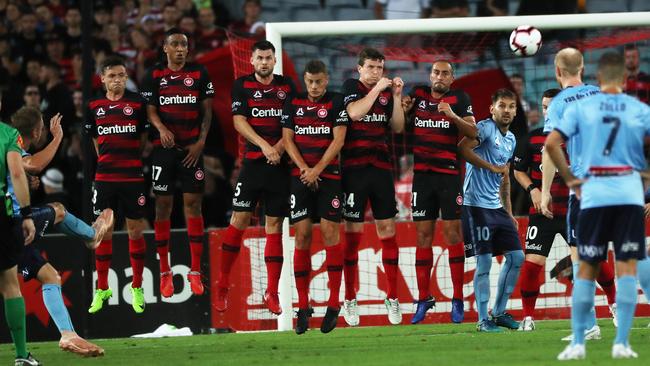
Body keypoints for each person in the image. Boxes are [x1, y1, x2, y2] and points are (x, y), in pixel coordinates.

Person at [550, 52, 649, 360]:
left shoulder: (575, 106)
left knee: (584, 264)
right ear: (623, 79)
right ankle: (622, 342)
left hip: (590, 192)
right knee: (630, 265)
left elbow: (551, 144)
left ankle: (580, 339)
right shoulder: (636, 107)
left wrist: (569, 179)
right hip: (628, 190)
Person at [10, 106, 110, 357]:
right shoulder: (11, 142)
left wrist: (23, 176)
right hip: (10, 226)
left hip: (11, 229)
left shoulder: (10, 145)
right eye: (42, 129)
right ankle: (91, 235)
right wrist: (57, 139)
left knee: (50, 277)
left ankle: (67, 335)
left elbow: (20, 169)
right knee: (59, 210)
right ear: (37, 130)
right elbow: (33, 163)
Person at [540, 48, 617, 341]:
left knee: (578, 257)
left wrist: (546, 192)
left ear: (558, 72)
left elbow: (551, 147)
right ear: (583, 67)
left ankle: (588, 327)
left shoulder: (559, 104)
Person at [215, 40, 295, 315]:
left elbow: (291, 124)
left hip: (280, 167)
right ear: (252, 61)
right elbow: (239, 121)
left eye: (268, 58)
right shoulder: (242, 86)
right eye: (259, 58)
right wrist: (264, 146)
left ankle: (272, 291)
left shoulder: (287, 87)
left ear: (275, 60)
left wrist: (279, 149)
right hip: (253, 165)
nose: (264, 62)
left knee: (275, 225)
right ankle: (223, 282)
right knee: (238, 219)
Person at [141, 28, 214, 298]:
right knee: (163, 206)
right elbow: (149, 110)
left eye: (184, 43)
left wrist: (200, 143)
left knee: (193, 205)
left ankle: (195, 271)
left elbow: (207, 111)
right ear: (165, 48)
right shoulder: (154, 75)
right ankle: (164, 272)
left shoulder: (199, 73)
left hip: (191, 150)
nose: (181, 48)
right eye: (175, 44)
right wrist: (160, 128)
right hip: (164, 151)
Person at [402, 60, 476, 324]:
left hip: (449, 176)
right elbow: (400, 122)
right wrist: (402, 104)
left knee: (453, 234)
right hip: (422, 178)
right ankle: (424, 299)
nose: (440, 77)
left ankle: (457, 299)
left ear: (452, 78)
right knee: (423, 237)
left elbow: (474, 132)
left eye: (445, 73)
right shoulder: (418, 94)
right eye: (436, 72)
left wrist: (453, 116)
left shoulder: (460, 98)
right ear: (430, 75)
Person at [281, 60, 348, 334]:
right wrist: (304, 170)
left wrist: (317, 169)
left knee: (331, 234)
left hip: (329, 178)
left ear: (327, 78)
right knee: (303, 235)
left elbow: (338, 140)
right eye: (310, 81)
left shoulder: (336, 103)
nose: (314, 86)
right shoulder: (293, 103)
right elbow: (288, 140)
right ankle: (303, 304)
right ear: (305, 80)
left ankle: (334, 303)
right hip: (301, 178)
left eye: (319, 81)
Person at [341, 47, 405, 326]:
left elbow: (399, 128)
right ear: (360, 69)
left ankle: (392, 296)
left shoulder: (387, 95)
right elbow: (354, 114)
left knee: (388, 231)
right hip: (353, 172)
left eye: (380, 68)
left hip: (380, 171)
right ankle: (350, 298)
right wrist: (377, 89)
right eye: (371, 67)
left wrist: (398, 98)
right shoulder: (350, 88)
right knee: (352, 234)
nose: (376, 73)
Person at [86, 56, 151, 313]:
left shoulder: (137, 103)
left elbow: (143, 139)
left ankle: (137, 286)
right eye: (111, 76)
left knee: (135, 231)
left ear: (126, 77)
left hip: (132, 177)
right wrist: (106, 160)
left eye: (121, 75)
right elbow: (95, 140)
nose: (117, 80)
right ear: (102, 79)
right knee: (103, 233)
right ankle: (102, 288)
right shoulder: (94, 105)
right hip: (104, 178)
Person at [458, 88, 524, 332]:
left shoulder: (512, 139)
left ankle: (499, 312)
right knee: (484, 262)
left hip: (497, 209)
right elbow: (462, 149)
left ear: (515, 111)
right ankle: (483, 319)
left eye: (511, 107)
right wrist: (490, 167)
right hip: (475, 206)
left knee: (517, 257)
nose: (506, 110)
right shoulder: (485, 129)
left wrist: (509, 213)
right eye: (502, 106)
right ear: (492, 109)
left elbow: (505, 177)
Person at [513, 88, 569, 331]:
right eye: (544, 107)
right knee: (532, 264)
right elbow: (518, 170)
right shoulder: (531, 138)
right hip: (541, 213)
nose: (547, 111)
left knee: (592, 260)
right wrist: (532, 190)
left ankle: (612, 305)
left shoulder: (578, 136)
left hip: (572, 211)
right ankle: (527, 317)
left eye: (552, 106)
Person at [0, 91, 39, 366]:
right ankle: (22, 356)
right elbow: (16, 173)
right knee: (10, 285)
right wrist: (26, 214)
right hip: (1, 217)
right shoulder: (9, 135)